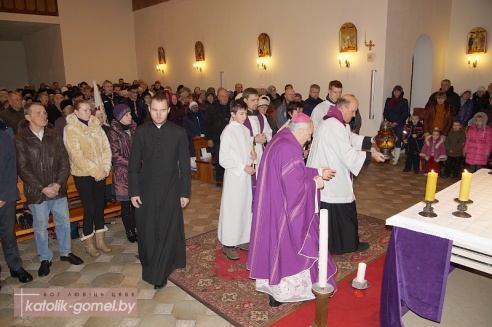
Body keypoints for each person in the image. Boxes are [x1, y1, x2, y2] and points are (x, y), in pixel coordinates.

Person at [247, 113, 337, 307]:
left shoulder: (279, 140)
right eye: (309, 134)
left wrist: (316, 172)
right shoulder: (289, 149)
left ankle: (274, 291)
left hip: (272, 204)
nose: (309, 139)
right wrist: (316, 184)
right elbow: (295, 190)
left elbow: (291, 174)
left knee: (274, 245)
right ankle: (284, 293)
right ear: (302, 130)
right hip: (283, 210)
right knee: (291, 246)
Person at [307, 95, 386, 255]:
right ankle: (343, 245)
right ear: (342, 108)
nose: (354, 115)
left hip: (333, 172)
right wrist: (371, 156)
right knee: (340, 210)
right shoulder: (333, 125)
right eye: (353, 111)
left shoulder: (336, 122)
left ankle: (341, 244)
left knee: (341, 209)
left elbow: (349, 138)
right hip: (331, 176)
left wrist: (372, 140)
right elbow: (347, 153)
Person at [129, 92, 191, 289]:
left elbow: (185, 167)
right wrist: (134, 191)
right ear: (149, 110)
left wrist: (185, 193)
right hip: (146, 188)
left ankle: (160, 274)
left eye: (162, 110)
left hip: (171, 188)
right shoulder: (141, 132)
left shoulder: (178, 132)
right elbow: (133, 165)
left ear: (169, 110)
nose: (158, 114)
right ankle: (154, 260)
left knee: (166, 229)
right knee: (148, 230)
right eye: (154, 110)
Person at [15, 103, 84, 277]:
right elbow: (23, 167)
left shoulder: (53, 135)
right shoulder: (20, 139)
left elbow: (64, 162)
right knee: (40, 227)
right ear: (28, 117)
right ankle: (45, 258)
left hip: (57, 189)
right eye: (38, 113)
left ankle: (66, 252)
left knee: (63, 222)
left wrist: (58, 184)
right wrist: (42, 188)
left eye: (44, 112)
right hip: (37, 192)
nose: (44, 115)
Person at [64, 100, 112, 257]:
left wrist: (105, 168)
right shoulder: (70, 129)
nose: (87, 112)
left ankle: (101, 240)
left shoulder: (96, 125)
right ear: (76, 112)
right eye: (83, 110)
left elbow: (106, 147)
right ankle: (89, 243)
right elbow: (76, 155)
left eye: (88, 110)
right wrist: (96, 171)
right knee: (90, 208)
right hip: (83, 174)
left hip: (101, 173)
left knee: (99, 206)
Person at [218, 100, 256, 260]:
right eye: (241, 114)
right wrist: (243, 167)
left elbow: (247, 149)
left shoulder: (245, 130)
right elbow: (223, 159)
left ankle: (241, 238)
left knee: (244, 208)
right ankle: (228, 244)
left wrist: (252, 155)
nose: (244, 116)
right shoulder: (228, 131)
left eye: (245, 113)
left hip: (245, 177)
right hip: (235, 176)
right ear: (232, 114)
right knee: (233, 209)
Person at [0, 129, 33, 284]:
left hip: (5, 195)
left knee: (8, 235)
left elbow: (10, 166)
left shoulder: (3, 136)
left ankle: (15, 267)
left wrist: (3, 196)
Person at [108, 104, 138, 243]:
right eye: (127, 115)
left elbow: (141, 147)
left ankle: (138, 228)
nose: (130, 117)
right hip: (123, 174)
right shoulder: (113, 132)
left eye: (130, 114)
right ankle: (130, 230)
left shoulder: (134, 128)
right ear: (120, 117)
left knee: (137, 203)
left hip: (136, 173)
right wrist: (133, 163)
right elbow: (115, 155)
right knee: (126, 205)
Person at [204, 88, 231, 186]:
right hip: (217, 138)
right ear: (218, 97)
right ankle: (220, 179)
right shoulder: (212, 108)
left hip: (230, 138)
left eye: (226, 96)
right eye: (223, 96)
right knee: (219, 159)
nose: (225, 98)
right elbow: (207, 124)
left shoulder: (231, 106)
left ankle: (229, 178)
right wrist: (209, 138)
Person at [383, 85, 409, 165]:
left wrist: (396, 122)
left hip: (399, 124)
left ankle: (396, 158)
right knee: (389, 140)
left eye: (398, 91)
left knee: (398, 140)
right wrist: (388, 121)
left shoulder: (404, 101)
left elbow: (405, 114)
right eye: (395, 91)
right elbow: (385, 111)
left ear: (401, 92)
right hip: (389, 123)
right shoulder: (389, 100)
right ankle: (389, 155)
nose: (396, 93)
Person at [183, 101, 205, 171]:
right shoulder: (187, 118)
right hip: (193, 139)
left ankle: (203, 169)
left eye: (196, 107)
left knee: (204, 155)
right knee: (194, 157)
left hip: (203, 138)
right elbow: (185, 130)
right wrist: (194, 136)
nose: (195, 109)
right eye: (193, 108)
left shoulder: (202, 116)